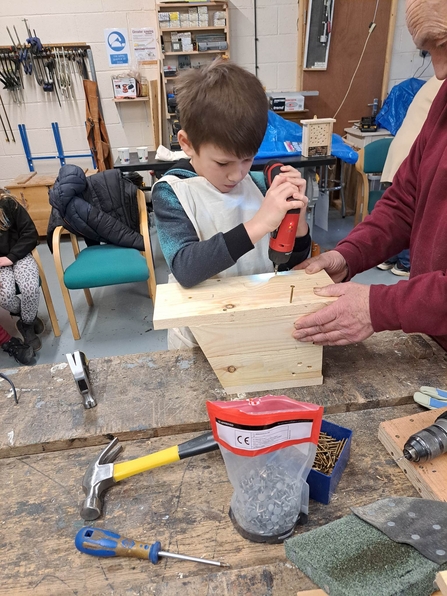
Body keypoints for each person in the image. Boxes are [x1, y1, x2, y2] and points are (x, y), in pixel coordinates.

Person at [292, 0, 447, 351]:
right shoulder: (444, 102)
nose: (438, 71)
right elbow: (406, 201)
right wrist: (348, 256)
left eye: (446, 44)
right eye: (428, 51)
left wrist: (378, 308)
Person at [152, 60, 310, 348]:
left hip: (256, 324)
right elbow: (186, 269)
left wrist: (297, 223)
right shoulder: (172, 193)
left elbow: (292, 262)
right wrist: (260, 223)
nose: (237, 174)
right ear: (186, 144)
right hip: (200, 337)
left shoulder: (261, 185)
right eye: (223, 162)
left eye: (247, 159)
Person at [377, 75, 443, 276]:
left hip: (403, 152)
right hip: (414, 155)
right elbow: (402, 209)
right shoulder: (441, 83)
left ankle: (389, 257)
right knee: (411, 212)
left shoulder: (434, 82)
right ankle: (404, 262)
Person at [0, 188, 43, 351]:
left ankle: (26, 324)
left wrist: (11, 257)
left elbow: (30, 233)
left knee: (30, 288)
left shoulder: (8, 204)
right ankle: (29, 317)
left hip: (20, 255)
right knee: (4, 297)